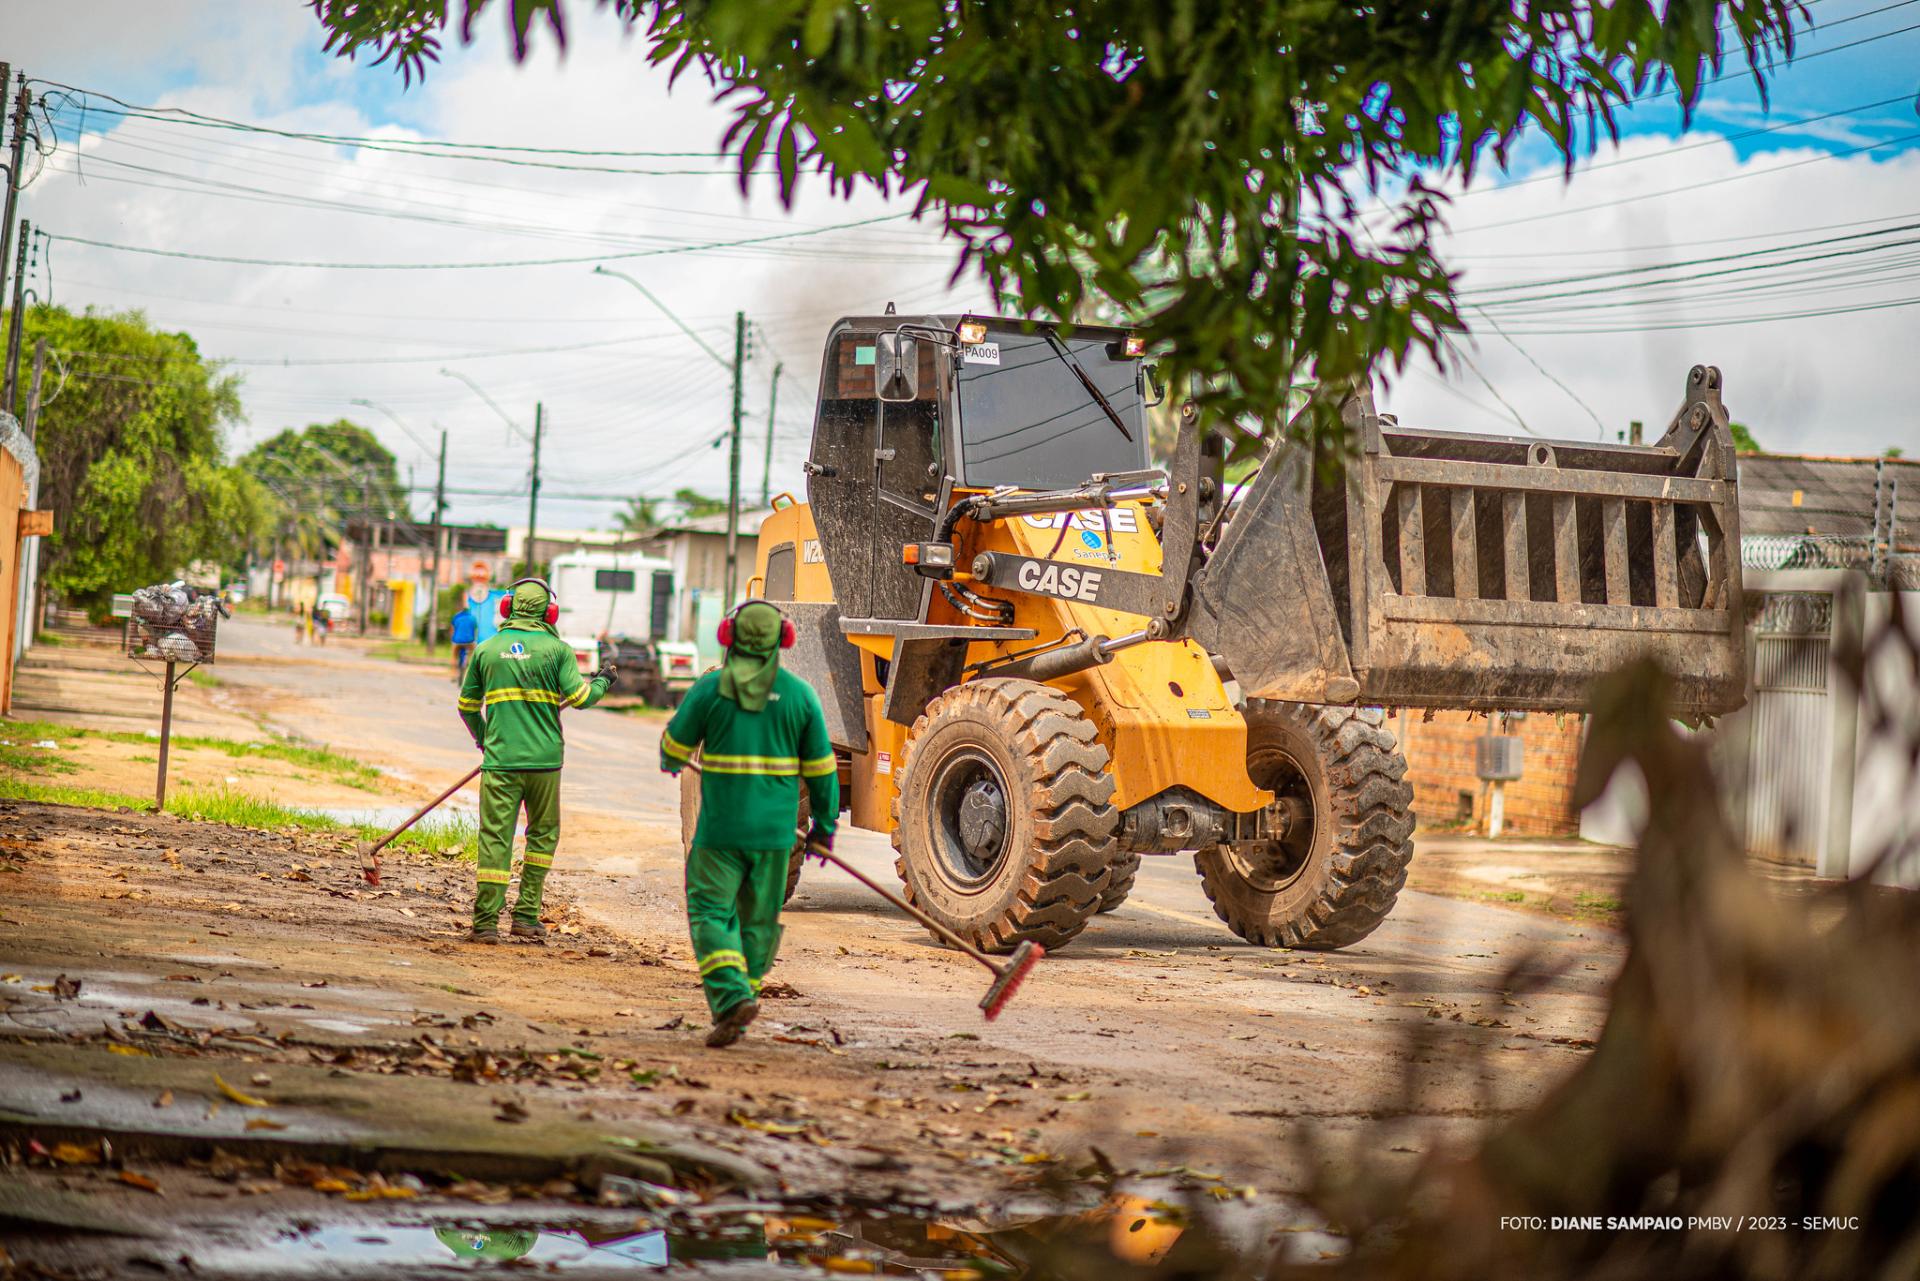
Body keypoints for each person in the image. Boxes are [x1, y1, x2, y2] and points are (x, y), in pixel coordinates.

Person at [659, 600, 838, 1048]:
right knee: (758, 921)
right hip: (777, 837)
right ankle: (746, 998)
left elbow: (673, 747)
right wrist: (823, 828)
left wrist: (672, 758)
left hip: (720, 831)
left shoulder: (710, 690)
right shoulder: (800, 695)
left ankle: (732, 996)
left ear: (728, 637)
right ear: (784, 640)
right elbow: (822, 771)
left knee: (710, 912)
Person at [457, 578, 614, 944]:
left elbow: (466, 707)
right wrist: (603, 681)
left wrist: (485, 740)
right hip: (545, 765)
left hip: (500, 764)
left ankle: (484, 924)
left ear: (507, 608)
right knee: (541, 838)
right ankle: (526, 917)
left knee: (495, 839)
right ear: (549, 612)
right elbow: (580, 697)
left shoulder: (487, 649)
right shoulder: (557, 650)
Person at [450, 605, 477, 681]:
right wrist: (473, 639)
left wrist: (452, 640)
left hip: (457, 641)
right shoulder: (472, 618)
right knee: (472, 656)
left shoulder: (456, 617)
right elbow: (475, 631)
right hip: (469, 641)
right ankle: (469, 675)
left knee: (454, 656)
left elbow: (452, 630)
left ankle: (453, 675)